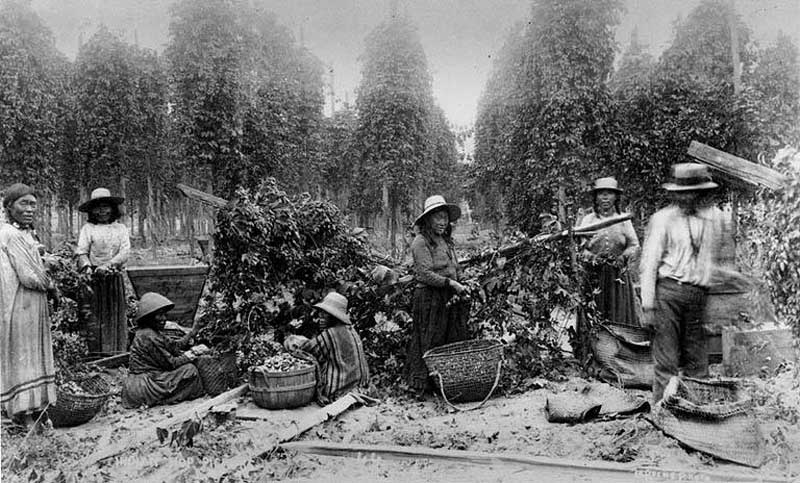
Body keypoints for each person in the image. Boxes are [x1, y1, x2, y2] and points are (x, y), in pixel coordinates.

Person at [640, 164, 734, 403]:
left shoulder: (716, 219)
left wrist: (722, 297)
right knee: (667, 359)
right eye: (683, 192)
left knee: (697, 360)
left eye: (694, 192)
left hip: (698, 295)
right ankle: (662, 410)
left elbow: (721, 261)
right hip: (668, 293)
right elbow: (649, 263)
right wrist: (648, 306)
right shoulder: (662, 220)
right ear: (675, 193)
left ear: (703, 192)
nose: (688, 197)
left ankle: (695, 410)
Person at [0, 183, 58, 427]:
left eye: (33, 204)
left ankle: (35, 409)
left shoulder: (25, 233)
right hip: (21, 301)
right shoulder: (10, 234)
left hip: (30, 301)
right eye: (23, 203)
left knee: (30, 354)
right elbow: (29, 276)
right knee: (25, 355)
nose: (30, 209)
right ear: (9, 206)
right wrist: (50, 282)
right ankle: (24, 414)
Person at [404, 195, 469, 397]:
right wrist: (452, 283)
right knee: (429, 339)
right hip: (429, 298)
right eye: (437, 217)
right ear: (428, 219)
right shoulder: (420, 242)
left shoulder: (445, 241)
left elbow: (454, 267)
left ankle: (447, 384)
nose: (442, 222)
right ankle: (423, 386)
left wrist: (463, 282)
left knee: (450, 337)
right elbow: (424, 274)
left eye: (444, 218)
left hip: (449, 295)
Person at [122, 292, 207, 408]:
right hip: (143, 383)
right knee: (190, 370)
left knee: (189, 369)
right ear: (149, 317)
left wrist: (194, 330)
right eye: (159, 315)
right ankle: (163, 400)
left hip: (149, 378)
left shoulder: (155, 332)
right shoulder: (148, 335)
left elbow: (175, 346)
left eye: (164, 315)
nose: (164, 319)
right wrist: (192, 354)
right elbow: (171, 364)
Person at [577, 177, 642, 326]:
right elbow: (580, 248)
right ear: (596, 198)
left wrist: (623, 257)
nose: (605, 197)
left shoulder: (623, 219)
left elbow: (634, 244)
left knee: (618, 314)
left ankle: (619, 346)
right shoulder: (588, 220)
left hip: (617, 277)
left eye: (609, 193)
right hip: (594, 276)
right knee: (593, 314)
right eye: (601, 194)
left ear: (616, 197)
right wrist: (593, 258)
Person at [284, 292, 369, 404]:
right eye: (321, 314)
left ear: (334, 317)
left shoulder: (331, 334)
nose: (321, 318)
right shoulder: (351, 330)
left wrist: (292, 341)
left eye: (325, 315)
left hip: (340, 390)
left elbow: (306, 350)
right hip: (362, 388)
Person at [75, 188, 131, 355]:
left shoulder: (120, 228)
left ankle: (116, 351)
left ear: (113, 209)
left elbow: (125, 252)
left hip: (113, 277)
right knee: (96, 314)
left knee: (114, 313)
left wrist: (108, 265)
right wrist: (86, 267)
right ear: (92, 210)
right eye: (98, 208)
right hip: (94, 279)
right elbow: (82, 251)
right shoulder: (88, 228)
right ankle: (97, 353)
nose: (102, 211)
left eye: (106, 207)